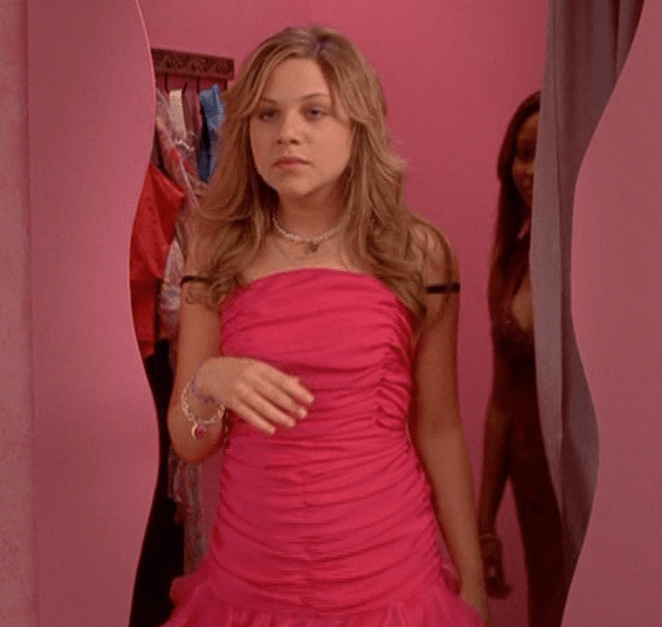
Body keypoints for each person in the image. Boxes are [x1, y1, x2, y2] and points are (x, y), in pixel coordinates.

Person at [162, 25, 488, 626]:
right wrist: (211, 380)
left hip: (389, 577)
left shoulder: (418, 254)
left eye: (314, 112)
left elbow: (439, 428)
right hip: (251, 579)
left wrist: (471, 581)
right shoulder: (216, 251)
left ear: (358, 126)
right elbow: (190, 442)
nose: (287, 133)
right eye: (267, 114)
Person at [477, 92, 567, 627]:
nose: (529, 171)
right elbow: (501, 404)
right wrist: (484, 525)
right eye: (522, 154)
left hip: (588, 478)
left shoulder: (594, 255)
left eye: (543, 154)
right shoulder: (510, 263)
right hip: (533, 483)